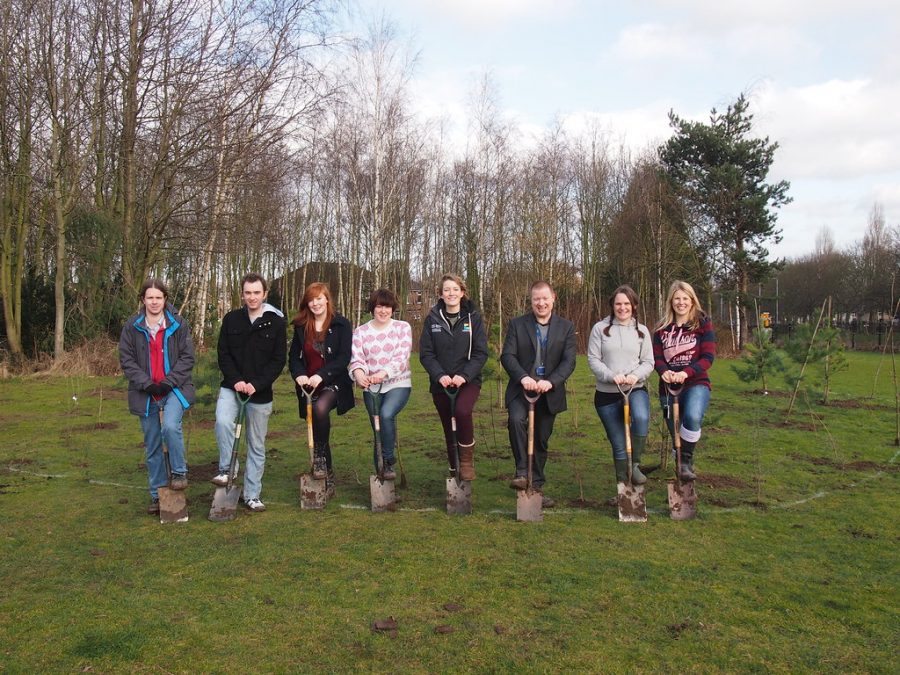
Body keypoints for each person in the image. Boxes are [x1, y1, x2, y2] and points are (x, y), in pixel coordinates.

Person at [119, 279, 196, 515]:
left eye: (159, 297)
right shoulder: (132, 327)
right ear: (143, 299)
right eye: (150, 297)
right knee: (152, 445)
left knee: (171, 427)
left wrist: (167, 382)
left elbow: (187, 358)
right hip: (146, 393)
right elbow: (127, 360)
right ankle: (157, 495)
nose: (154, 302)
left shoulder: (178, 324)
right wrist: (147, 384)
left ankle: (179, 472)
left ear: (165, 299)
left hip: (174, 388)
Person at [212, 273, 286, 512]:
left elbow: (278, 360)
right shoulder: (232, 319)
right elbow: (223, 353)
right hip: (231, 388)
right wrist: (236, 381)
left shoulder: (276, 322)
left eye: (257, 292)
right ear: (242, 294)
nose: (252, 297)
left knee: (256, 445)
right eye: (248, 293)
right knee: (223, 422)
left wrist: (256, 384)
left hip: (260, 393)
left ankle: (252, 494)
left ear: (264, 294)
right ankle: (227, 470)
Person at [500, 281, 576, 505]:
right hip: (521, 389)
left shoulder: (566, 327)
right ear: (531, 301)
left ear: (553, 298)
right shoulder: (517, 324)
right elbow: (508, 356)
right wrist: (523, 377)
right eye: (536, 299)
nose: (541, 303)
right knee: (516, 420)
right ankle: (522, 471)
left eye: (545, 298)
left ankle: (536, 486)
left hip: (549, 392)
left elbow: (569, 361)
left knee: (541, 440)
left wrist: (551, 382)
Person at [419, 274, 489, 480]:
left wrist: (464, 376)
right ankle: (453, 466)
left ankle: (466, 462)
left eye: (455, 289)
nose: (451, 293)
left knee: (462, 411)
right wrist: (439, 375)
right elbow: (426, 353)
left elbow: (480, 352)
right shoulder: (432, 319)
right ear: (440, 294)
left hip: (467, 381)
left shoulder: (473, 318)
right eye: (447, 290)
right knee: (449, 426)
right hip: (440, 383)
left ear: (462, 293)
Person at [289, 282, 354, 492]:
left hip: (334, 382)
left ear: (327, 299)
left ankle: (319, 455)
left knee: (320, 408)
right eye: (311, 299)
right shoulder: (301, 326)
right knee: (317, 420)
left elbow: (344, 357)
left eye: (319, 298)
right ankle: (327, 471)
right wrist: (299, 375)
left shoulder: (341, 325)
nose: (315, 303)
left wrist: (321, 375)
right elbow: (294, 357)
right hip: (308, 385)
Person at [587, 285, 654, 487]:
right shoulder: (600, 329)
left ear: (634, 305)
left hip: (635, 389)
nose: (622, 307)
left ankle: (635, 465)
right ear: (612, 305)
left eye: (626, 303)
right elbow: (593, 359)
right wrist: (611, 375)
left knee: (641, 417)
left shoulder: (641, 331)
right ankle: (624, 489)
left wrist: (634, 376)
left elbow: (649, 362)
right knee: (618, 445)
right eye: (618, 303)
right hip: (606, 393)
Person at [653, 280, 716, 481]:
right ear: (671, 301)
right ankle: (683, 477)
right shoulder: (662, 328)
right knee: (676, 436)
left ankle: (685, 463)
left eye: (685, 299)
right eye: (677, 299)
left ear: (692, 300)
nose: (681, 303)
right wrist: (664, 371)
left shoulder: (702, 324)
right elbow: (656, 357)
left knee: (693, 417)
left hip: (695, 383)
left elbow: (708, 357)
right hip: (668, 388)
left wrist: (686, 372)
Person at [349, 288, 412, 479]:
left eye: (387, 307)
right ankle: (381, 468)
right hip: (371, 387)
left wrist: (382, 374)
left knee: (386, 415)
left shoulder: (402, 328)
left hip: (398, 383)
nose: (383, 311)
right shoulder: (360, 332)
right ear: (372, 308)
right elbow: (356, 359)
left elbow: (402, 357)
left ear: (393, 309)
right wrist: (359, 375)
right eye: (379, 307)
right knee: (377, 426)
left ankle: (388, 460)